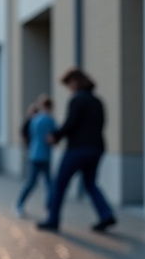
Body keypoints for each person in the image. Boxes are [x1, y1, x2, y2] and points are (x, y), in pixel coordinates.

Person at [40, 68, 116, 232]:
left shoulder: (77, 100)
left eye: (69, 84)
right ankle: (106, 214)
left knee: (59, 183)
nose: (69, 88)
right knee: (90, 184)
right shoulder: (97, 100)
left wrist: (56, 136)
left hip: (78, 149)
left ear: (75, 81)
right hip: (96, 148)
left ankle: (52, 219)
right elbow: (102, 123)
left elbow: (70, 123)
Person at [15, 95, 57, 217]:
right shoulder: (51, 120)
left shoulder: (34, 120)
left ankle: (19, 204)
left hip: (34, 153)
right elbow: (54, 137)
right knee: (49, 183)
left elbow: (26, 132)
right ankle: (49, 209)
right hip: (45, 155)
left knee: (31, 182)